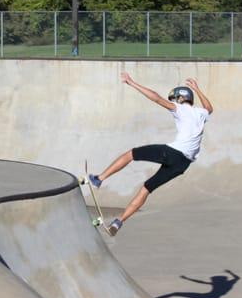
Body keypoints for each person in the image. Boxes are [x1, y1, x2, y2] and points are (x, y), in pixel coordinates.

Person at [89, 72, 213, 236]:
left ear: (181, 98)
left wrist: (132, 83)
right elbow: (209, 108)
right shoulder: (201, 114)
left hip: (173, 152)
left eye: (175, 99)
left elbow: (156, 98)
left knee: (131, 154)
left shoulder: (180, 109)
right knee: (146, 189)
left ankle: (99, 179)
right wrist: (197, 89)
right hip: (183, 164)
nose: (173, 102)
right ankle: (119, 222)